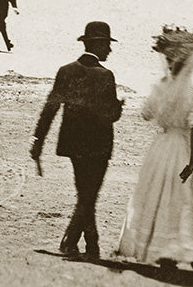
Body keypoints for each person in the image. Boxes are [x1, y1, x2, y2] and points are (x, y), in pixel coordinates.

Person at [115, 27, 193, 271]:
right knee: (188, 199)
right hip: (183, 147)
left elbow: (146, 114)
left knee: (158, 197)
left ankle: (164, 251)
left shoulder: (161, 87)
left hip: (161, 148)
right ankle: (191, 250)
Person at [31, 20, 124, 261]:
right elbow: (109, 116)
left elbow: (50, 107)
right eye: (107, 45)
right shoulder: (106, 75)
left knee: (85, 193)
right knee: (89, 195)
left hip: (73, 145)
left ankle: (91, 244)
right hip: (99, 146)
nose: (110, 50)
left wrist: (38, 140)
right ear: (99, 45)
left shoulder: (66, 71)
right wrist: (119, 107)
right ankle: (70, 241)